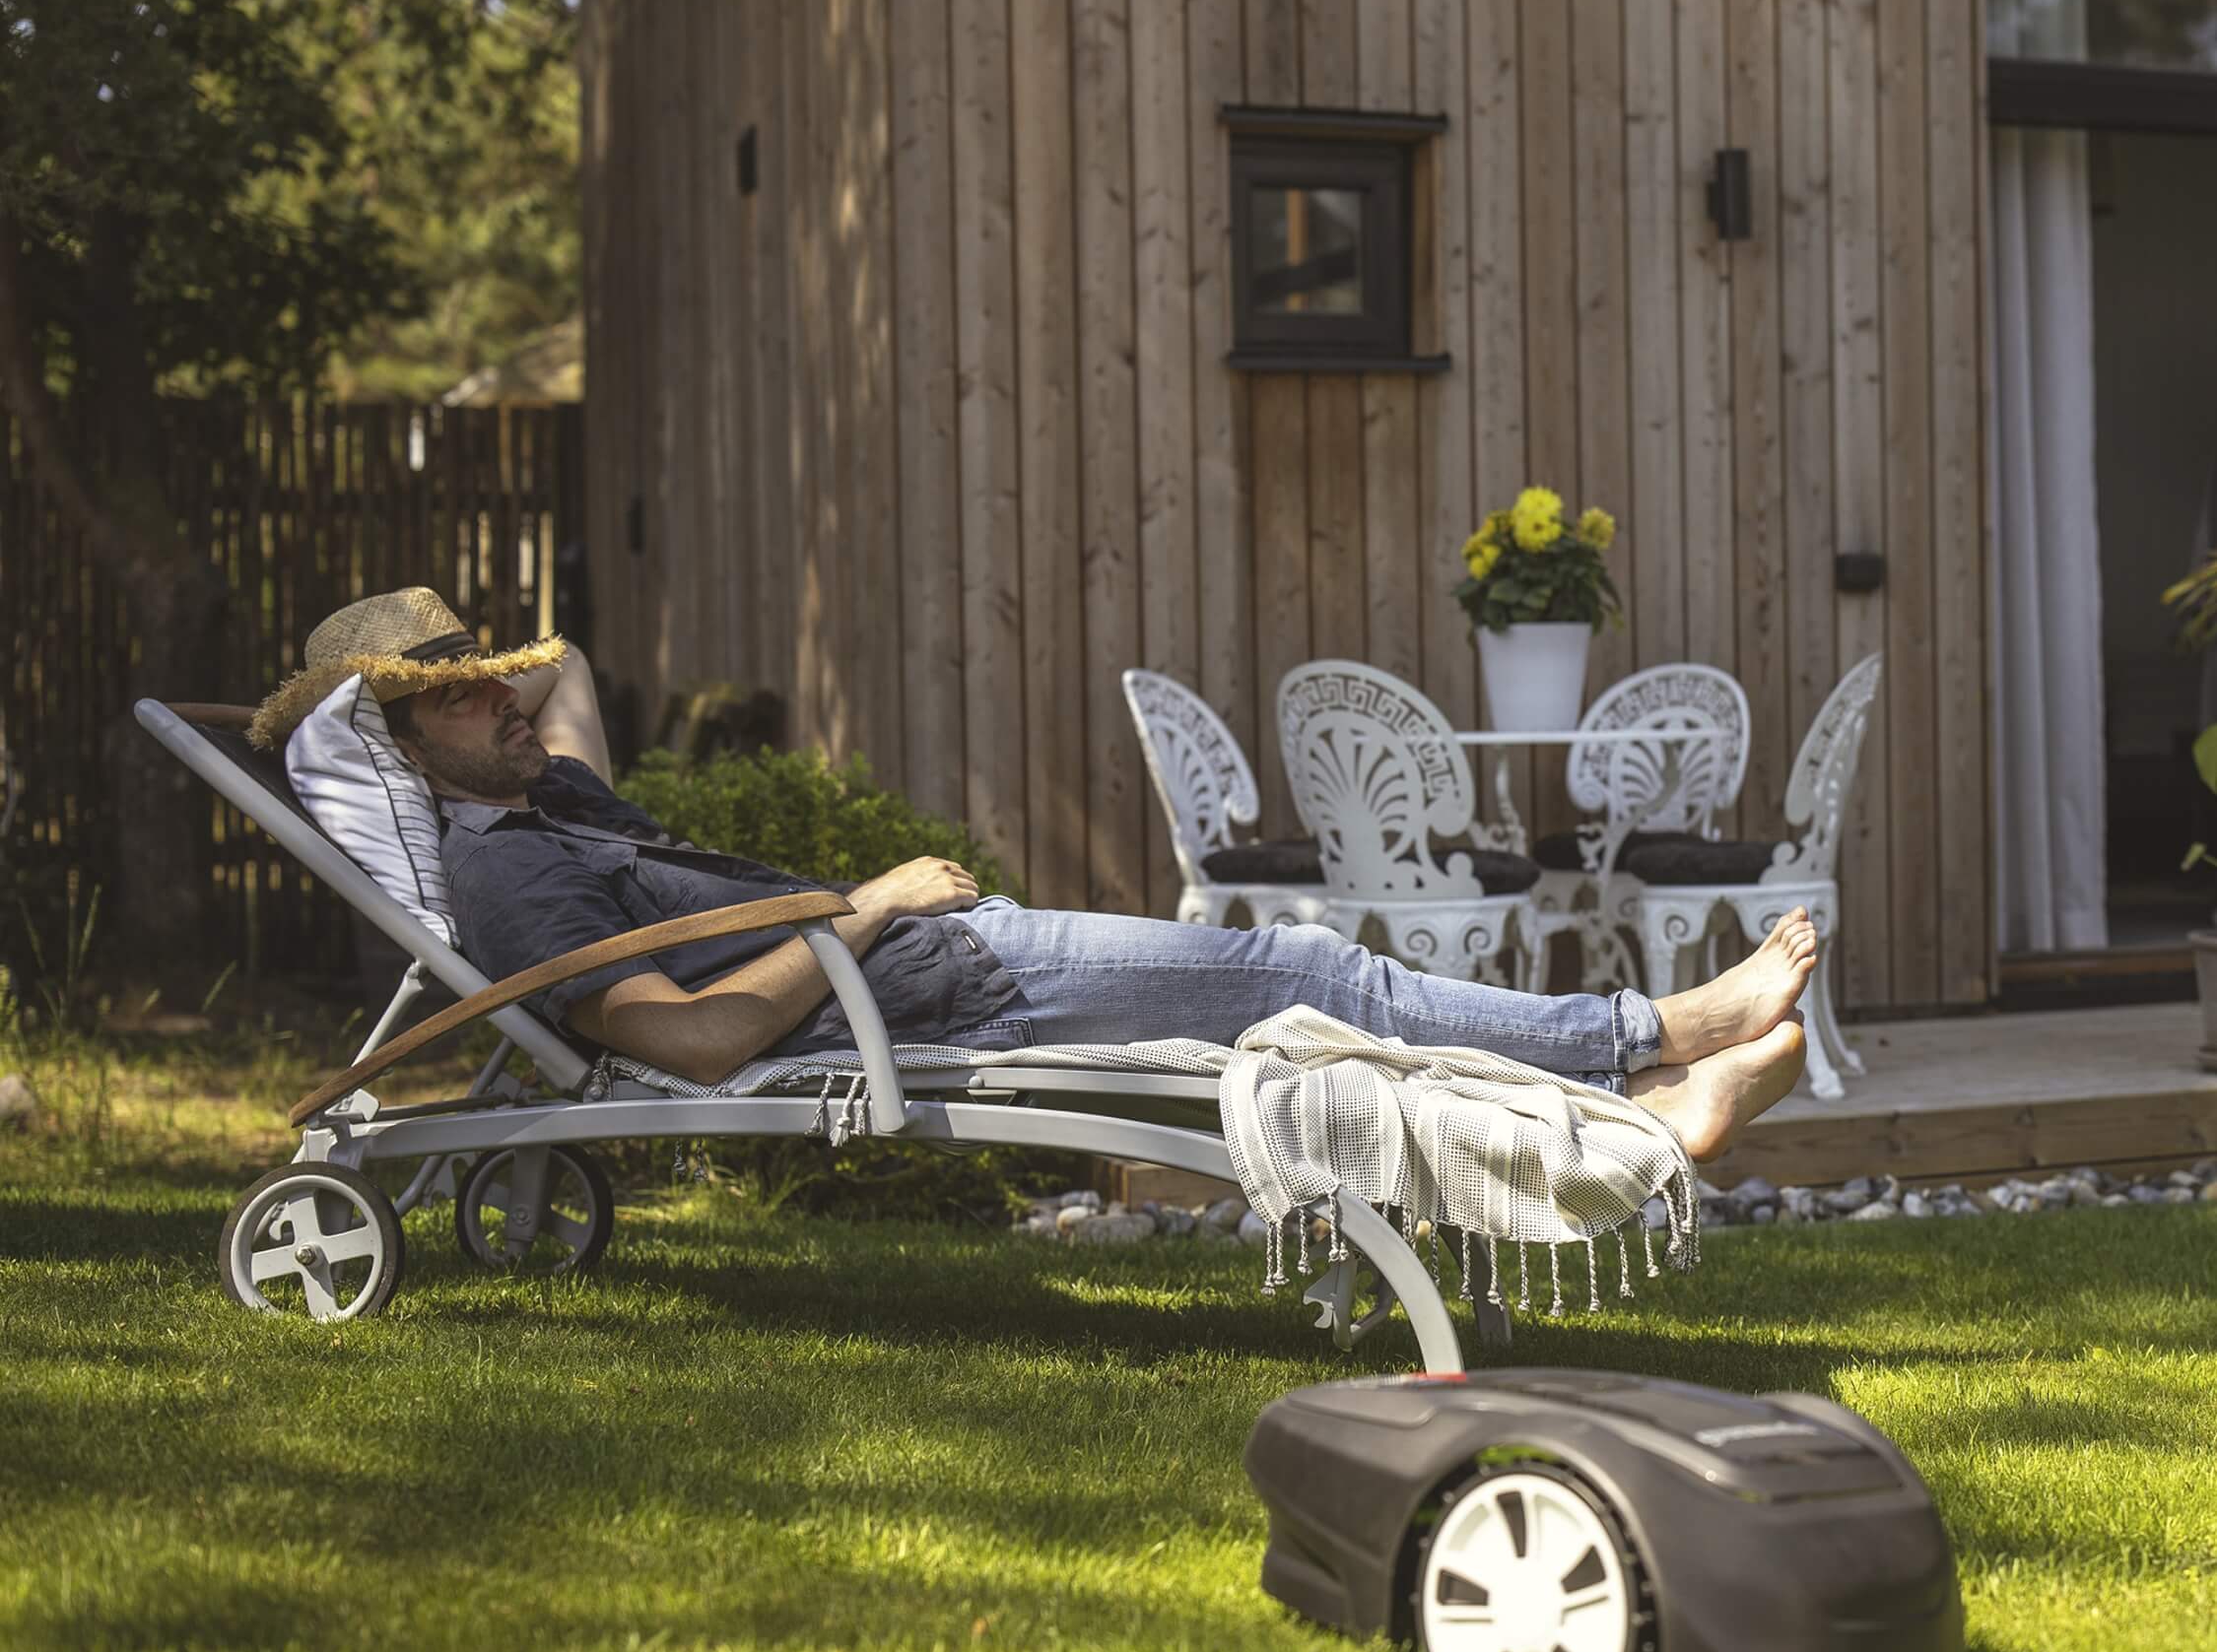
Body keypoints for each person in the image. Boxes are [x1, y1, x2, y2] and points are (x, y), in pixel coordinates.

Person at [259, 596, 1811, 1161]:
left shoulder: (546, 794)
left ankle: (1640, 1115)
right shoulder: (511, 873)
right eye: (458, 695)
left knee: (1314, 1018)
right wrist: (870, 906)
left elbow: (571, 673)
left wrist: (446, 697)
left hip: (927, 958)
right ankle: (1651, 1038)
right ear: (399, 742)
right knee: (1310, 971)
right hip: (933, 975)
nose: (509, 699)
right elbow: (695, 1039)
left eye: (494, 677)